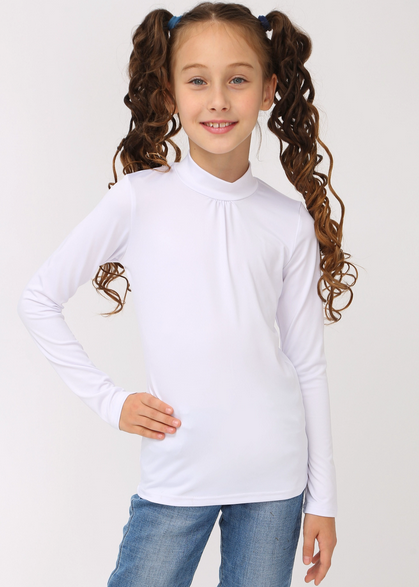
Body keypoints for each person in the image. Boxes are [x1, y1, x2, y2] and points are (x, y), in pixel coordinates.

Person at [17, 2, 357, 586]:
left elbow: (307, 363)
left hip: (274, 481)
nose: (218, 100)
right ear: (170, 93)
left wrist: (322, 498)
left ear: (268, 90)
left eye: (238, 80)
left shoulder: (288, 222)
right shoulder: (138, 199)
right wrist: (110, 402)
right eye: (197, 81)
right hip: (177, 473)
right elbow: (38, 299)